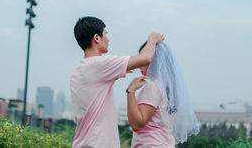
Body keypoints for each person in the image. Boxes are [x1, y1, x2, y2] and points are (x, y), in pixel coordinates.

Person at [70, 16, 164, 148]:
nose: (108, 39)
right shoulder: (99, 64)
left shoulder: (79, 70)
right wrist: (153, 38)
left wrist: (115, 76)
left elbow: (95, 96)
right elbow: (146, 58)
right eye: (105, 34)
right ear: (97, 38)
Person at [127, 42, 199, 147]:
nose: (139, 66)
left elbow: (137, 124)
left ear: (154, 62)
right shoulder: (169, 89)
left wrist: (130, 90)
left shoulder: (153, 87)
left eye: (143, 60)